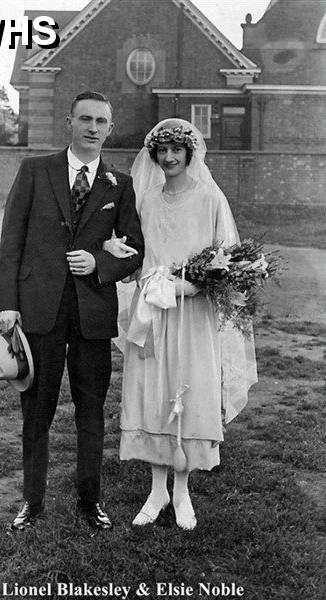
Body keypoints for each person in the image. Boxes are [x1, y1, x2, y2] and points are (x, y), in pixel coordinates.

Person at [0, 91, 144, 531]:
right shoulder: (35, 170)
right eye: (85, 119)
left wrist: (101, 261)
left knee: (91, 407)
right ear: (69, 122)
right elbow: (11, 242)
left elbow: (135, 249)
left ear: (110, 129)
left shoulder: (120, 184)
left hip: (92, 313)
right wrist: (6, 303)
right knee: (36, 408)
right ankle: (32, 501)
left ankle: (90, 500)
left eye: (101, 121)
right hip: (39, 310)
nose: (93, 128)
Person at [104, 118, 257, 530]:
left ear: (190, 153)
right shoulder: (146, 199)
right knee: (154, 389)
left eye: (177, 150)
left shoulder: (209, 197)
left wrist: (196, 284)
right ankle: (157, 491)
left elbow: (228, 257)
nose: (169, 157)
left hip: (193, 315)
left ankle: (183, 491)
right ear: (153, 155)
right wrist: (119, 254)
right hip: (153, 311)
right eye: (162, 151)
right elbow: (134, 253)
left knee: (188, 389)